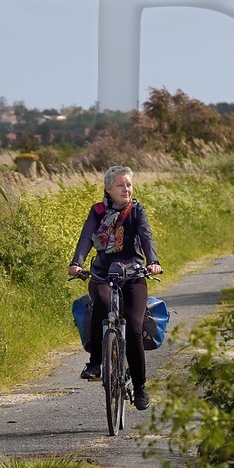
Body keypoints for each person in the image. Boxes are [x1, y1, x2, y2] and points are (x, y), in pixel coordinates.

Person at [69, 165, 163, 410]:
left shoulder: (137, 211)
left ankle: (140, 387)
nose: (126, 189)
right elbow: (86, 238)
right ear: (108, 189)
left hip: (133, 275)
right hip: (102, 273)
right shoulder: (97, 211)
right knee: (100, 302)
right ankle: (95, 363)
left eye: (129, 184)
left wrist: (153, 262)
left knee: (133, 327)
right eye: (120, 185)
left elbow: (146, 237)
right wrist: (76, 263)